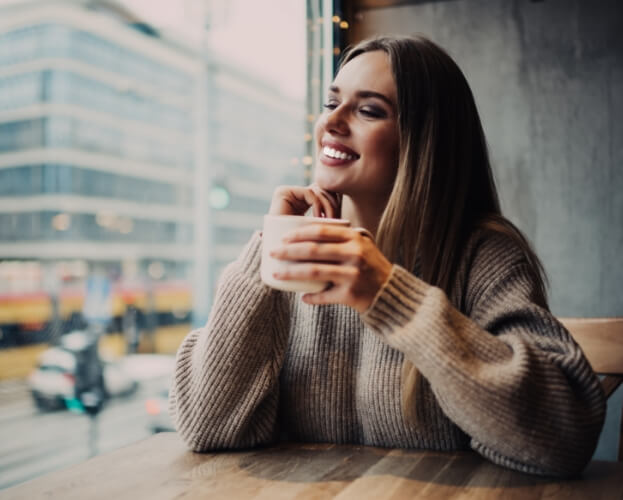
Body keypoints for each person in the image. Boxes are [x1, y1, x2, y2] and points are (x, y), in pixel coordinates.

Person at [169, 35, 605, 477]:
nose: (332, 122)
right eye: (331, 102)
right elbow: (207, 428)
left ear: (424, 141)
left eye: (368, 110)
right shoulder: (295, 249)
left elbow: (563, 439)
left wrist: (389, 294)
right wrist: (265, 250)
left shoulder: (482, 254)